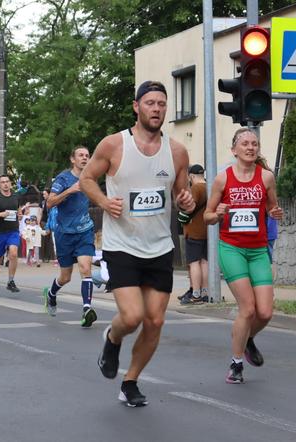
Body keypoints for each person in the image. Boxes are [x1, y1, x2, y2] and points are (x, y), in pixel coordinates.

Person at [80, 80, 195, 407]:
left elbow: (181, 195)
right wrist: (103, 201)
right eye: (150, 103)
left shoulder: (177, 152)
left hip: (159, 246)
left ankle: (130, 381)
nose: (157, 109)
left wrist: (186, 200)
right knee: (131, 317)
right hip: (122, 246)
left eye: (161, 103)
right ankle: (112, 339)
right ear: (137, 107)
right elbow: (86, 179)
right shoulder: (114, 145)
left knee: (155, 321)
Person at [203, 127, 283, 384]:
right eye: (245, 143)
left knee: (266, 312)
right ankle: (236, 364)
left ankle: (246, 339)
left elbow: (272, 207)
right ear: (234, 149)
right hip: (232, 248)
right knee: (247, 309)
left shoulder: (267, 177)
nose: (251, 147)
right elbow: (207, 215)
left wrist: (275, 214)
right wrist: (218, 214)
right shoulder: (222, 179)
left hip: (258, 250)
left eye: (255, 143)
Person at [43, 146, 98, 328]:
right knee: (65, 277)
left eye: (87, 155)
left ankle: (87, 309)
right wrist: (70, 190)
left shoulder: (91, 177)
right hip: (64, 234)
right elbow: (49, 203)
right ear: (72, 159)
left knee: (85, 268)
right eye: (81, 155)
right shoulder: (63, 178)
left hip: (85, 231)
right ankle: (51, 294)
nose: (85, 158)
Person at [180, 164, 209, 305]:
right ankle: (204, 292)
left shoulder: (196, 188)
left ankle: (195, 293)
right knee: (204, 262)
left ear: (191, 176)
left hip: (195, 231)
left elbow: (189, 207)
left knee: (194, 263)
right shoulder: (210, 187)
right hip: (208, 230)